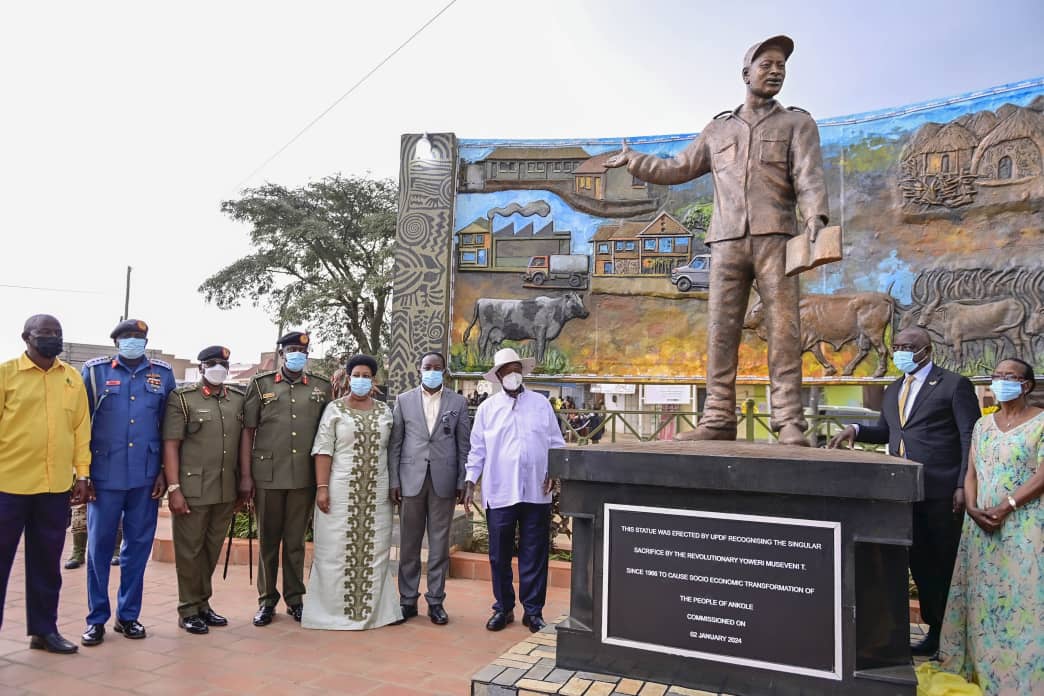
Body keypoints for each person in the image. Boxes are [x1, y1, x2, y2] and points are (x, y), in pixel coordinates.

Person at [605, 35, 827, 446]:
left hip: (776, 238)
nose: (776, 70)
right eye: (767, 64)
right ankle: (719, 416)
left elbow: (809, 176)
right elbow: (677, 167)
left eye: (781, 65)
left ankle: (789, 421)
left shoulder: (797, 124)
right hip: (725, 242)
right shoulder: (717, 128)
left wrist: (815, 216)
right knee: (720, 331)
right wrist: (635, 161)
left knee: (784, 330)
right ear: (746, 74)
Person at [828, 327, 978, 656]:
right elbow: (888, 431)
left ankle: (949, 634)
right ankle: (932, 630)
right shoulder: (894, 388)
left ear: (927, 350)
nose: (900, 351)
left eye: (908, 346)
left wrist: (962, 484)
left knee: (942, 564)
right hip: (900, 492)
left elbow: (970, 436)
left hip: (940, 490)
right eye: (896, 346)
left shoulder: (954, 385)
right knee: (917, 564)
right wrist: (855, 429)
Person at [938, 358, 1043, 693]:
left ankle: (1023, 677)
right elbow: (972, 472)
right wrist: (972, 506)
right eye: (996, 376)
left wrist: (1005, 506)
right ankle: (983, 670)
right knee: (983, 600)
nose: (1000, 382)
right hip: (981, 527)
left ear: (1026, 385)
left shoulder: (1041, 422)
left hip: (1023, 527)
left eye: (1008, 377)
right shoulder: (983, 425)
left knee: (1023, 599)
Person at [0, 315, 91, 654]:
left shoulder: (72, 379)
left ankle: (43, 631)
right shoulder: (6, 374)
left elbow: (81, 431)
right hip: (7, 487)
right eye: (45, 333)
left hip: (53, 489)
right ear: (26, 337)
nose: (53, 338)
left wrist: (82, 475)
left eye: (58, 333)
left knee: (47, 565)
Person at [81, 319, 175, 646]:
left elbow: (169, 427)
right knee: (99, 550)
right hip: (103, 476)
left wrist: (164, 470)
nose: (134, 341)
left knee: (137, 549)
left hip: (146, 477)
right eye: (128, 337)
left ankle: (128, 615)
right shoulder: (94, 372)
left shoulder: (162, 375)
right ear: (116, 341)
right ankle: (96, 619)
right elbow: (82, 425)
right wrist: (83, 473)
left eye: (140, 337)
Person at [464, 348, 565, 633]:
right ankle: (504, 607)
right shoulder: (487, 409)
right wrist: (470, 481)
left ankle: (533, 611)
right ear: (498, 376)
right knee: (499, 554)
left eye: (516, 368)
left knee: (535, 552)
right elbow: (477, 450)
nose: (512, 374)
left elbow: (556, 442)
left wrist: (555, 472)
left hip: (536, 490)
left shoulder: (541, 405)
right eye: (506, 370)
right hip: (500, 490)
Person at [302, 354, 402, 630]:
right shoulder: (334, 410)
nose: (361, 380)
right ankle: (331, 613)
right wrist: (322, 488)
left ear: (374, 380)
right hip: (339, 492)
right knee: (334, 551)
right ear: (348, 378)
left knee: (375, 552)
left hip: (375, 496)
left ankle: (375, 613)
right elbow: (323, 450)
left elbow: (393, 451)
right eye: (356, 375)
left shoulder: (384, 412)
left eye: (366, 376)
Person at [240, 331, 331, 626]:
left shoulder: (320, 387)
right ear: (281, 353)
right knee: (268, 541)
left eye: (302, 350)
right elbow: (248, 432)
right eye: (291, 349)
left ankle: (295, 599)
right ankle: (267, 600)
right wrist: (246, 476)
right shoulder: (260, 384)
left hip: (303, 477)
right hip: (267, 476)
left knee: (295, 542)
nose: (297, 355)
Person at [162, 346, 244, 635]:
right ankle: (187, 608)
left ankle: (202, 604)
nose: (218, 368)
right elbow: (171, 444)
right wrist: (174, 488)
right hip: (192, 488)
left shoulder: (237, 399)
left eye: (223, 363)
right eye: (211, 363)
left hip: (225, 488)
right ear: (201, 368)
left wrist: (244, 482)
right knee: (189, 551)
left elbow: (244, 440)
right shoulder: (183, 399)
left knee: (211, 549)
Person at [389, 351, 470, 625]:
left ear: (444, 371)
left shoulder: (458, 402)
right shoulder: (403, 400)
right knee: (409, 544)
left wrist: (462, 481)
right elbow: (395, 444)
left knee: (439, 544)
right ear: (419, 369)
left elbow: (463, 445)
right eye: (427, 367)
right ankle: (407, 600)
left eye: (437, 367)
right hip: (411, 479)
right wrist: (394, 481)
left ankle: (436, 601)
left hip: (443, 481)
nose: (432, 371)